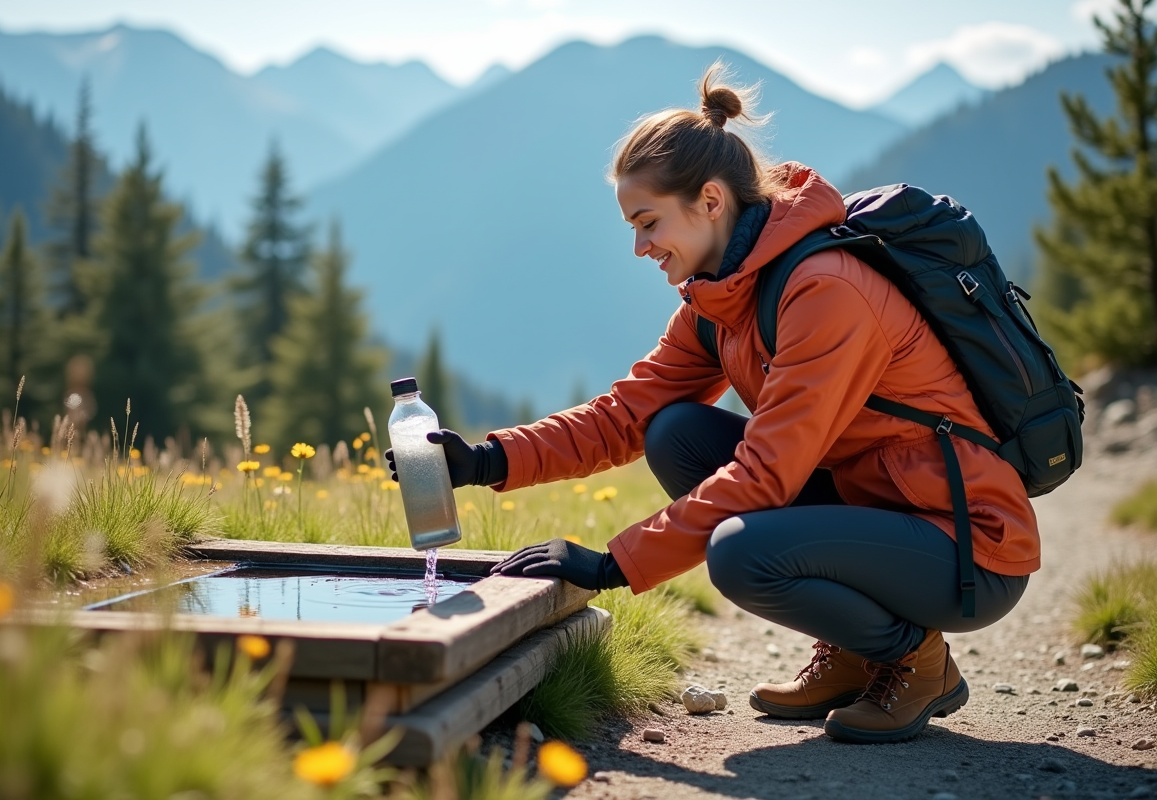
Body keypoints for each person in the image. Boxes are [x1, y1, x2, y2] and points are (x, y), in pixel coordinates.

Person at [384, 63, 1038, 745]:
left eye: (648, 222)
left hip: (962, 543)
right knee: (676, 432)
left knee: (739, 553)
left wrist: (610, 565)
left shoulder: (824, 291)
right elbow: (625, 416)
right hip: (874, 508)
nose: (639, 247)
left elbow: (765, 474)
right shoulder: (721, 297)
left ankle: (915, 660)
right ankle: (852, 652)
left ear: (711, 201)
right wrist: (486, 461)